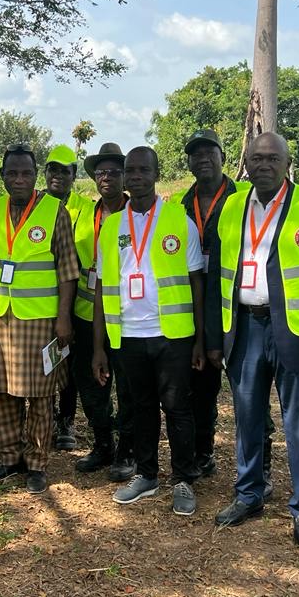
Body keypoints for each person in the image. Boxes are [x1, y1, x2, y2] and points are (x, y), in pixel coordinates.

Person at [206, 132, 299, 547]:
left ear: (287, 163)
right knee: (247, 416)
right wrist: (215, 338)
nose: (263, 165)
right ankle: (249, 494)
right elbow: (216, 278)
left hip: (296, 333)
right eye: (256, 158)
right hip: (244, 329)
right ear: (246, 163)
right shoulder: (232, 206)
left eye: (272, 158)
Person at [93, 145, 205, 517]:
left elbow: (196, 281)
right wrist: (98, 346)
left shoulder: (179, 220)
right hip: (127, 334)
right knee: (140, 407)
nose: (136, 176)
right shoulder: (112, 226)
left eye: (144, 169)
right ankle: (146, 474)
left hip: (172, 334)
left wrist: (200, 339)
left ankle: (184, 479)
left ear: (156, 174)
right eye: (131, 170)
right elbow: (101, 286)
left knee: (177, 408)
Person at [0, 143, 79, 495]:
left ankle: (36, 463)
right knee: (3, 392)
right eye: (12, 173)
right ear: (2, 176)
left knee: (40, 395)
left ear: (36, 176)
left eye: (26, 173)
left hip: (42, 320)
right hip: (1, 319)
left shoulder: (54, 211)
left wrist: (64, 319)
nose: (19, 179)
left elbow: (68, 272)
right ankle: (9, 457)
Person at [168, 129, 238, 478]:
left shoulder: (241, 199)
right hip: (191, 298)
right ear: (190, 163)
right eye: (196, 154)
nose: (203, 159)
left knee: (238, 382)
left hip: (233, 299)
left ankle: (253, 462)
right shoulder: (180, 205)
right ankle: (202, 450)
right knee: (198, 380)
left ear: (223, 157)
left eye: (210, 152)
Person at [72, 143, 135, 481]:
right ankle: (102, 444)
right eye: (100, 173)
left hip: (126, 315)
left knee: (127, 384)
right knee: (90, 383)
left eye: (113, 172)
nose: (106, 178)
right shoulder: (84, 214)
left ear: (124, 177)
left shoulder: (136, 215)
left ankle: (127, 450)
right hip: (86, 313)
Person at [44, 144, 95, 452]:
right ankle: (45, 416)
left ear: (74, 175)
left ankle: (66, 420)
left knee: (71, 363)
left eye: (65, 171)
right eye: (53, 169)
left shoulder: (86, 208)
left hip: (76, 302)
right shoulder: (35, 206)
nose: (58, 176)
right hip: (40, 300)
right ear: (45, 172)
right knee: (46, 361)